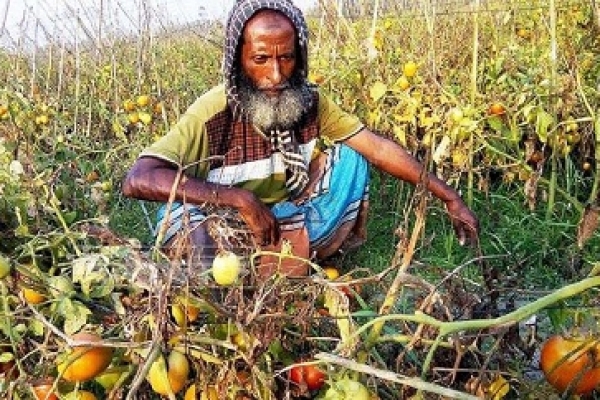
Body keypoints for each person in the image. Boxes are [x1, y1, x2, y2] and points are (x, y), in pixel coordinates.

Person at [122, 0, 479, 277]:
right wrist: (239, 200)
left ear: (300, 56)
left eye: (287, 58)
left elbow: (378, 148)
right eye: (260, 58)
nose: (275, 74)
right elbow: (139, 178)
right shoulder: (213, 112)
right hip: (219, 218)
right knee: (195, 232)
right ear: (238, 59)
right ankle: (268, 266)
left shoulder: (310, 102)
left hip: (280, 214)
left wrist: (449, 197)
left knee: (351, 160)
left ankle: (281, 256)